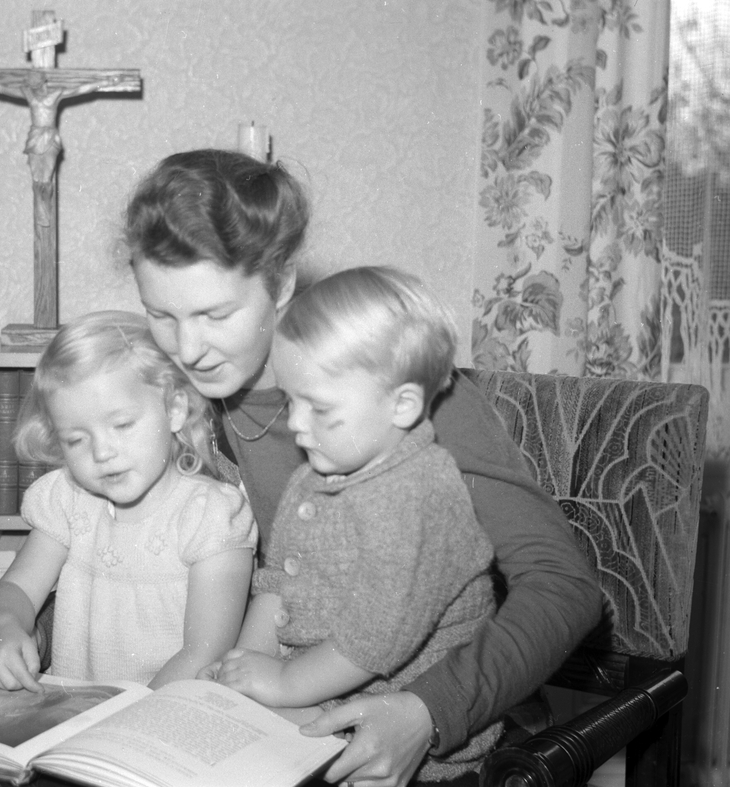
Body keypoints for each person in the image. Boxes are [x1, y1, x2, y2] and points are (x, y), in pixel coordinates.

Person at [123, 149, 603, 787]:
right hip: (295, 715)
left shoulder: (404, 395)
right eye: (161, 315)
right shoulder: (198, 398)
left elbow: (565, 589)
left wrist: (428, 712)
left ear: (281, 284)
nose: (187, 350)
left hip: (446, 731)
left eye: (215, 315)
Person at [203, 266, 501, 782]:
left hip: (409, 740)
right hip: (323, 695)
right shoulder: (318, 472)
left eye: (319, 408)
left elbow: (373, 641)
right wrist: (244, 664)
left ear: (402, 405)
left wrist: (281, 683)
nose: (296, 424)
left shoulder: (421, 497)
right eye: (291, 400)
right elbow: (280, 584)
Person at [0, 309, 257, 692]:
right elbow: (16, 591)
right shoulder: (67, 500)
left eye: (122, 425)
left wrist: (126, 717)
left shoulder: (212, 516)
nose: (101, 452)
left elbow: (204, 654)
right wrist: (4, 632)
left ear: (174, 409)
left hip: (168, 708)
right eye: (76, 439)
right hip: (75, 711)